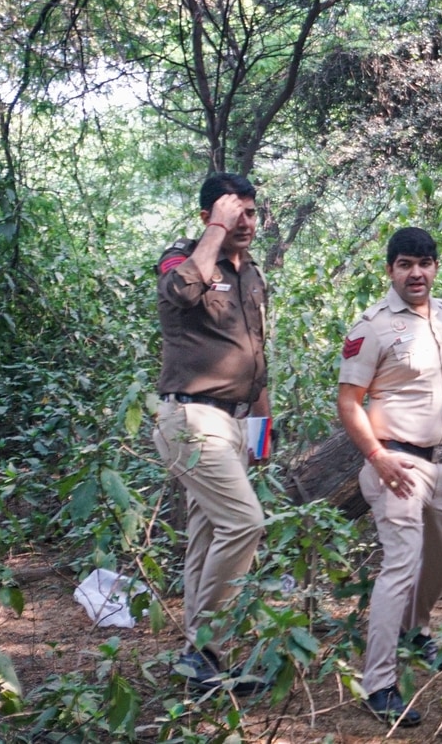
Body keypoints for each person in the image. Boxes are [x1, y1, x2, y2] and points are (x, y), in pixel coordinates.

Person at [337, 228, 442, 727]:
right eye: (405, 264)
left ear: (437, 266)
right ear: (390, 270)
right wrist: (376, 456)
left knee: (440, 560)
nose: (416, 273)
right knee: (400, 566)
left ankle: (413, 630)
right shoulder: (371, 327)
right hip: (398, 464)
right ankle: (379, 684)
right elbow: (348, 402)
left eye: (425, 263)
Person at [153, 172, 269, 693]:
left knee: (208, 535)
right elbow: (181, 293)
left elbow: (257, 356)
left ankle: (199, 659)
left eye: (249, 212)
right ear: (208, 217)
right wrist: (214, 233)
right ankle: (205, 648)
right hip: (191, 417)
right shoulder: (183, 257)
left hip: (235, 421)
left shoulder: (251, 273)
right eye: (233, 212)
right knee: (245, 523)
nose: (245, 222)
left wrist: (261, 435)